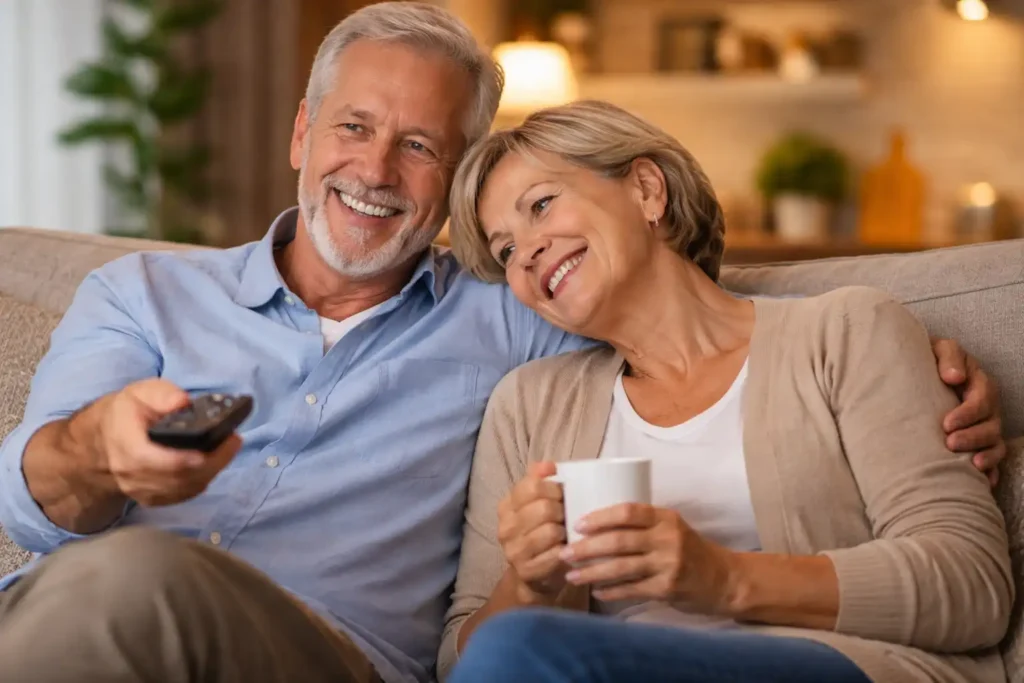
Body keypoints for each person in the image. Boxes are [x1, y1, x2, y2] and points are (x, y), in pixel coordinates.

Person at [0, 3, 1003, 682]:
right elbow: (31, 498)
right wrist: (93, 448)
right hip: (77, 619)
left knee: (129, 579)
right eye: (352, 128)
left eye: (421, 146)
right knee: (97, 584)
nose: (376, 169)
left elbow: (685, 297)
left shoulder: (522, 319)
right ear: (302, 134)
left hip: (310, 651)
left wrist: (929, 354)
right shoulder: (142, 294)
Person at [439, 100, 1014, 683]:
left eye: (541, 205)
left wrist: (721, 578)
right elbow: (462, 660)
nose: (527, 251)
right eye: (505, 250)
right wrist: (529, 585)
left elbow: (973, 583)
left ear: (645, 190)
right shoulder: (526, 407)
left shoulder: (846, 332)